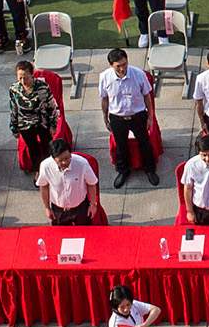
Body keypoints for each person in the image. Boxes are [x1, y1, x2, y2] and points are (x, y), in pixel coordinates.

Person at [100, 48, 161, 184]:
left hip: (138, 116)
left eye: (124, 64)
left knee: (144, 143)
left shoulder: (138, 74)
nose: (122, 68)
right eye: (118, 66)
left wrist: (150, 117)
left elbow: (147, 96)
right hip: (117, 117)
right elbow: (104, 99)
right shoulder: (104, 77)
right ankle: (123, 170)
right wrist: (105, 117)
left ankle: (150, 169)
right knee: (121, 146)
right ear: (111, 65)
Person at [37, 133, 102, 225]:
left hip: (81, 208)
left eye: (67, 158)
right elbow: (44, 187)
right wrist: (47, 207)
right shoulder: (45, 166)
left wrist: (92, 204)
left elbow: (91, 184)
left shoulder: (82, 163)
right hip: (58, 210)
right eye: (60, 160)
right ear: (53, 158)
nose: (64, 162)